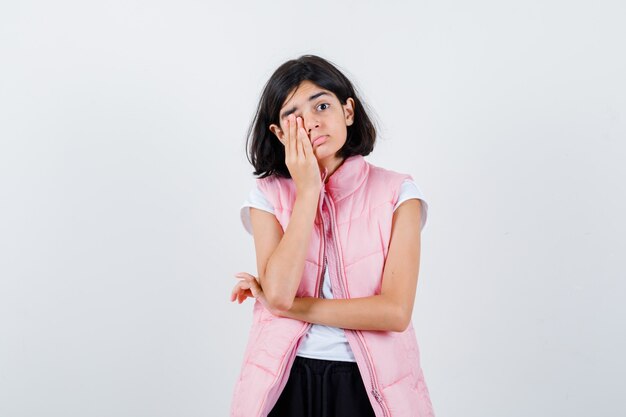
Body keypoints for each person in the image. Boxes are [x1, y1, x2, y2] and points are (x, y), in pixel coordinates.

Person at [229, 55, 435, 417]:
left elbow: (394, 312)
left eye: (322, 105)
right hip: (284, 381)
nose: (311, 123)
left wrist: (289, 307)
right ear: (279, 134)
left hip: (368, 386)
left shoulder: (398, 193)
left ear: (348, 111)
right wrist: (308, 192)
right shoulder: (267, 196)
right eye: (293, 116)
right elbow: (278, 291)